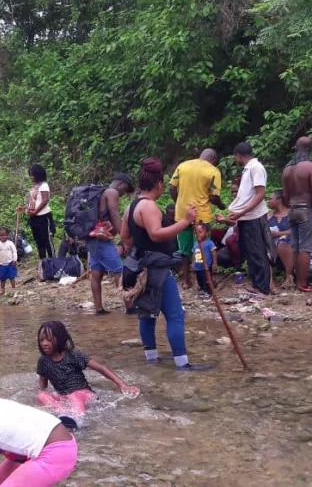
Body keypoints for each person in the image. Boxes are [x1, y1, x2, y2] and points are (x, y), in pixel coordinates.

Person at [121, 158, 211, 370]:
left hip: (140, 267)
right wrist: (186, 221)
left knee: (147, 314)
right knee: (175, 315)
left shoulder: (131, 207)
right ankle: (183, 363)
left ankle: (151, 358)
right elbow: (156, 234)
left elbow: (125, 237)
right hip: (157, 269)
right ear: (159, 184)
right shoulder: (149, 206)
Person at [36, 321, 139, 424]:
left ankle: (78, 419)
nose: (44, 343)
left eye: (49, 340)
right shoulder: (43, 361)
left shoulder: (73, 355)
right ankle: (64, 413)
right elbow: (42, 386)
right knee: (41, 396)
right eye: (41, 340)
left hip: (85, 395)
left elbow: (101, 368)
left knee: (74, 396)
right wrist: (43, 395)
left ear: (60, 338)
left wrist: (122, 384)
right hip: (64, 398)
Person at [169, 148, 226, 289]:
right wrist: (222, 205)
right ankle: (204, 282)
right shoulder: (213, 171)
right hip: (201, 216)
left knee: (185, 250)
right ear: (213, 159)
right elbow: (213, 196)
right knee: (202, 249)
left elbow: (171, 188)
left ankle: (186, 281)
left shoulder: (183, 166)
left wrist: (179, 204)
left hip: (182, 215)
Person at [228, 142, 275, 296]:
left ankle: (262, 288)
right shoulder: (249, 169)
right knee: (249, 251)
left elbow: (260, 194)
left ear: (239, 155)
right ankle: (256, 285)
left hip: (253, 217)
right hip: (246, 217)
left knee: (257, 251)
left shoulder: (256, 168)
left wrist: (241, 212)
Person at [282, 136, 312, 292]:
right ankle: (302, 283)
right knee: (306, 248)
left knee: (295, 246)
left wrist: (291, 206)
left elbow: (285, 196)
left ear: (296, 147)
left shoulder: (287, 168)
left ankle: (291, 278)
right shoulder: (311, 167)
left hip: (292, 209)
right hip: (306, 210)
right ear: (311, 149)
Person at [86, 173, 135, 315]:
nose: (124, 193)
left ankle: (99, 309)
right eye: (125, 189)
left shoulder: (101, 192)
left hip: (93, 238)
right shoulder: (112, 192)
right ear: (120, 183)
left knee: (96, 273)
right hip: (103, 241)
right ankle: (130, 307)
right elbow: (114, 216)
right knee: (119, 271)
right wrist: (125, 238)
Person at [21, 164, 55, 259]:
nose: (31, 177)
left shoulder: (44, 185)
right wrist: (24, 208)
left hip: (43, 217)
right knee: (38, 241)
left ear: (38, 174)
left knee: (47, 241)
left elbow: (45, 200)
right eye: (30, 175)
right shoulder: (35, 187)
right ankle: (43, 263)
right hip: (34, 218)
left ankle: (53, 263)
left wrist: (35, 212)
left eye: (32, 175)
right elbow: (34, 201)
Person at [268, 190, 294, 289]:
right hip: (272, 241)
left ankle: (289, 276)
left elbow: (294, 230)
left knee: (282, 241)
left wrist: (277, 234)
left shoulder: (290, 213)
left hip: (287, 241)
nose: (268, 201)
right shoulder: (269, 215)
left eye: (270, 199)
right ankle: (270, 280)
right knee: (264, 244)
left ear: (279, 200)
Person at [191, 223, 217, 299]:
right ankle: (202, 290)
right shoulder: (195, 243)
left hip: (206, 267)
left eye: (200, 232)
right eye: (196, 233)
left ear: (207, 233)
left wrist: (214, 263)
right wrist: (192, 263)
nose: (197, 234)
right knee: (199, 279)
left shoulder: (209, 243)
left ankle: (209, 292)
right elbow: (194, 253)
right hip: (197, 267)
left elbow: (214, 253)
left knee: (207, 279)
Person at [0, 227, 17, 294]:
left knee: (12, 277)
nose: (3, 237)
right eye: (1, 235)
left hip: (10, 263)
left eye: (4, 235)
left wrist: (14, 260)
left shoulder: (10, 243)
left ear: (7, 235)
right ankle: (2, 289)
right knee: (2, 278)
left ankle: (13, 288)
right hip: (1, 264)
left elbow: (14, 252)